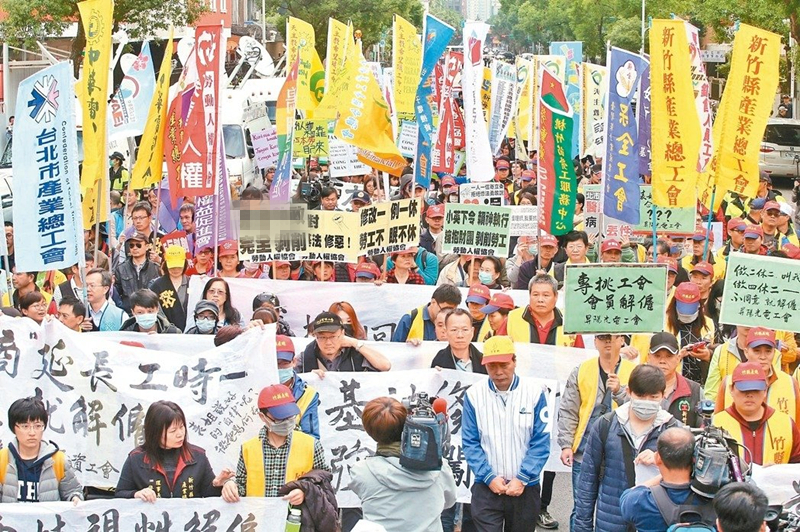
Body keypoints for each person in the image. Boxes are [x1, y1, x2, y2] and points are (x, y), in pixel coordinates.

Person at [574, 365, 681, 532]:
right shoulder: (605, 425)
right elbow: (587, 480)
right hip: (610, 521)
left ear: (663, 394)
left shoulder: (674, 433)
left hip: (655, 522)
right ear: (629, 392)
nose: (646, 402)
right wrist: (582, 526)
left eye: (653, 397)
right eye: (640, 396)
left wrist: (661, 461)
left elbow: (686, 481)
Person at [462, 335, 551, 532]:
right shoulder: (473, 395)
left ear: (514, 361)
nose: (498, 372)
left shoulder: (535, 393)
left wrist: (522, 478)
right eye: (492, 365)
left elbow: (541, 442)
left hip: (525, 488)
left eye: (504, 364)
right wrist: (488, 477)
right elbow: (470, 442)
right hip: (487, 487)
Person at [558, 333, 635, 530]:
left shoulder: (634, 372)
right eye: (602, 337)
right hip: (584, 451)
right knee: (581, 506)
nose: (608, 341)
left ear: (622, 340)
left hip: (620, 453)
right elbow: (569, 409)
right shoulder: (582, 370)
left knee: (615, 509)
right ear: (595, 342)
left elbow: (640, 409)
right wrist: (566, 444)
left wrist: (618, 391)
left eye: (613, 337)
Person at [349, 397, 457, 532]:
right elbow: (449, 501)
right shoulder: (438, 468)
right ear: (406, 424)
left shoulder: (361, 472)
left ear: (369, 430)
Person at [227, 384, 330, 502]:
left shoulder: (311, 445)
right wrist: (230, 485)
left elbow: (324, 480)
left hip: (296, 518)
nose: (286, 422)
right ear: (262, 417)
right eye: (280, 418)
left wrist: (305, 491)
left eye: (290, 416)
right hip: (258, 517)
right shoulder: (248, 449)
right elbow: (241, 486)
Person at [115, 400, 235, 500]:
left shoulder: (198, 456)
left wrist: (218, 484)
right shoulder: (136, 458)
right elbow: (120, 494)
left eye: (182, 427)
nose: (180, 434)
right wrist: (136, 494)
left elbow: (208, 495)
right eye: (173, 431)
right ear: (155, 432)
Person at [620, 427, 715, 532]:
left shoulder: (639, 501)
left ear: (658, 458)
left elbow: (626, 497)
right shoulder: (714, 498)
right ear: (694, 458)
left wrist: (661, 472)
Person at [711, 362, 800, 464]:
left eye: (755, 390)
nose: (749, 395)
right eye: (743, 390)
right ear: (731, 389)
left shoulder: (785, 423)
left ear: (765, 391)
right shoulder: (716, 424)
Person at [0, 397, 83, 503]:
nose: (32, 432)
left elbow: (72, 491)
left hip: (48, 520)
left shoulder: (58, 460)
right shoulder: (2, 459)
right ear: (13, 427)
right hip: (11, 520)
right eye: (25, 426)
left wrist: (75, 498)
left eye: (38, 426)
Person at [714, 327, 800, 421]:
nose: (763, 357)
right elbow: (717, 423)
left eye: (768, 351)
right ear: (746, 352)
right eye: (757, 351)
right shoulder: (728, 383)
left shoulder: (790, 383)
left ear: (774, 352)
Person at [507, 274, 583, 347]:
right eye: (535, 295)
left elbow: (579, 355)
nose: (540, 300)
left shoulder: (569, 322)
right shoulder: (513, 318)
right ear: (529, 295)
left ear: (556, 296)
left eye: (546, 295)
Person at [300, 312, 391, 373]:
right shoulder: (306, 356)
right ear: (315, 336)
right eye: (322, 337)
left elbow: (385, 366)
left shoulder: (355, 353)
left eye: (333, 336)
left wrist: (356, 343)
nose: (328, 342)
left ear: (342, 332)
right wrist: (308, 378)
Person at [646, 332, 703, 428]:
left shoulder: (695, 390)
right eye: (657, 356)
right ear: (648, 357)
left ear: (678, 358)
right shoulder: (639, 387)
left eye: (669, 356)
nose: (662, 361)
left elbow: (703, 428)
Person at [276, 335, 320, 439]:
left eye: (284, 363)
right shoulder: (255, 388)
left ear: (294, 362)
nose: (279, 368)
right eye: (275, 363)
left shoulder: (307, 393)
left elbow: (311, 436)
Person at [393, 285, 462, 343]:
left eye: (452, 310)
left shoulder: (457, 321)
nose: (448, 314)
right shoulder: (410, 318)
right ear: (433, 302)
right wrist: (407, 346)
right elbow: (394, 349)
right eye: (444, 309)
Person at [114, 231, 160, 313]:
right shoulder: (120, 269)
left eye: (138, 245)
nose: (134, 248)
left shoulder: (156, 268)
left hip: (150, 313)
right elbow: (117, 293)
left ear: (147, 246)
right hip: (128, 313)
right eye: (131, 245)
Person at [430, 308, 487, 374]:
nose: (460, 335)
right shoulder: (439, 360)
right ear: (446, 332)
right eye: (454, 330)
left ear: (472, 332)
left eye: (465, 330)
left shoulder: (484, 361)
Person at [149, 245, 190, 331]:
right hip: (166, 331)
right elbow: (156, 311)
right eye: (172, 266)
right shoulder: (157, 285)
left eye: (179, 266)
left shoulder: (192, 283)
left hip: (189, 331)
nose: (176, 270)